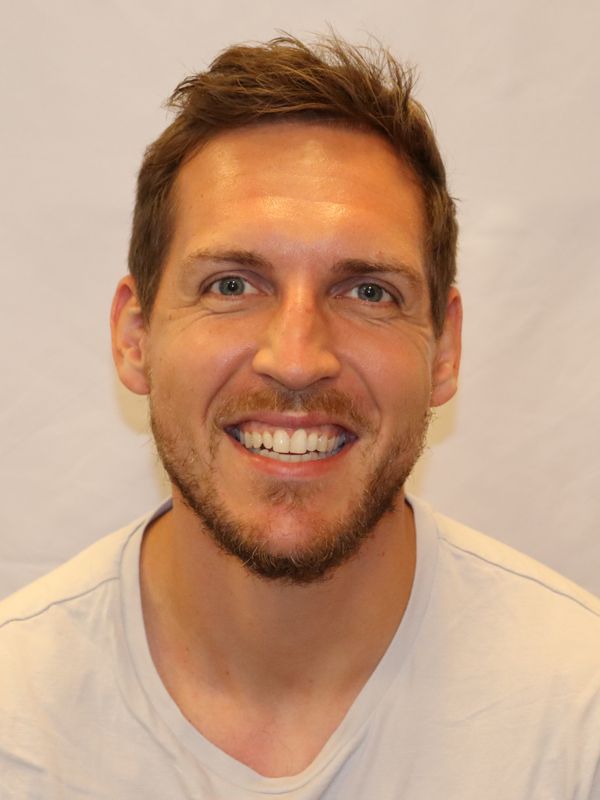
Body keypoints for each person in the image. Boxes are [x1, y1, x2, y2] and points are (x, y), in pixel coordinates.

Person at [1, 34, 599, 799]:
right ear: (135, 337)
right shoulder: (16, 717)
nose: (295, 358)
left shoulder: (577, 716)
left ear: (445, 350)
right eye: (231, 285)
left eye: (369, 292)